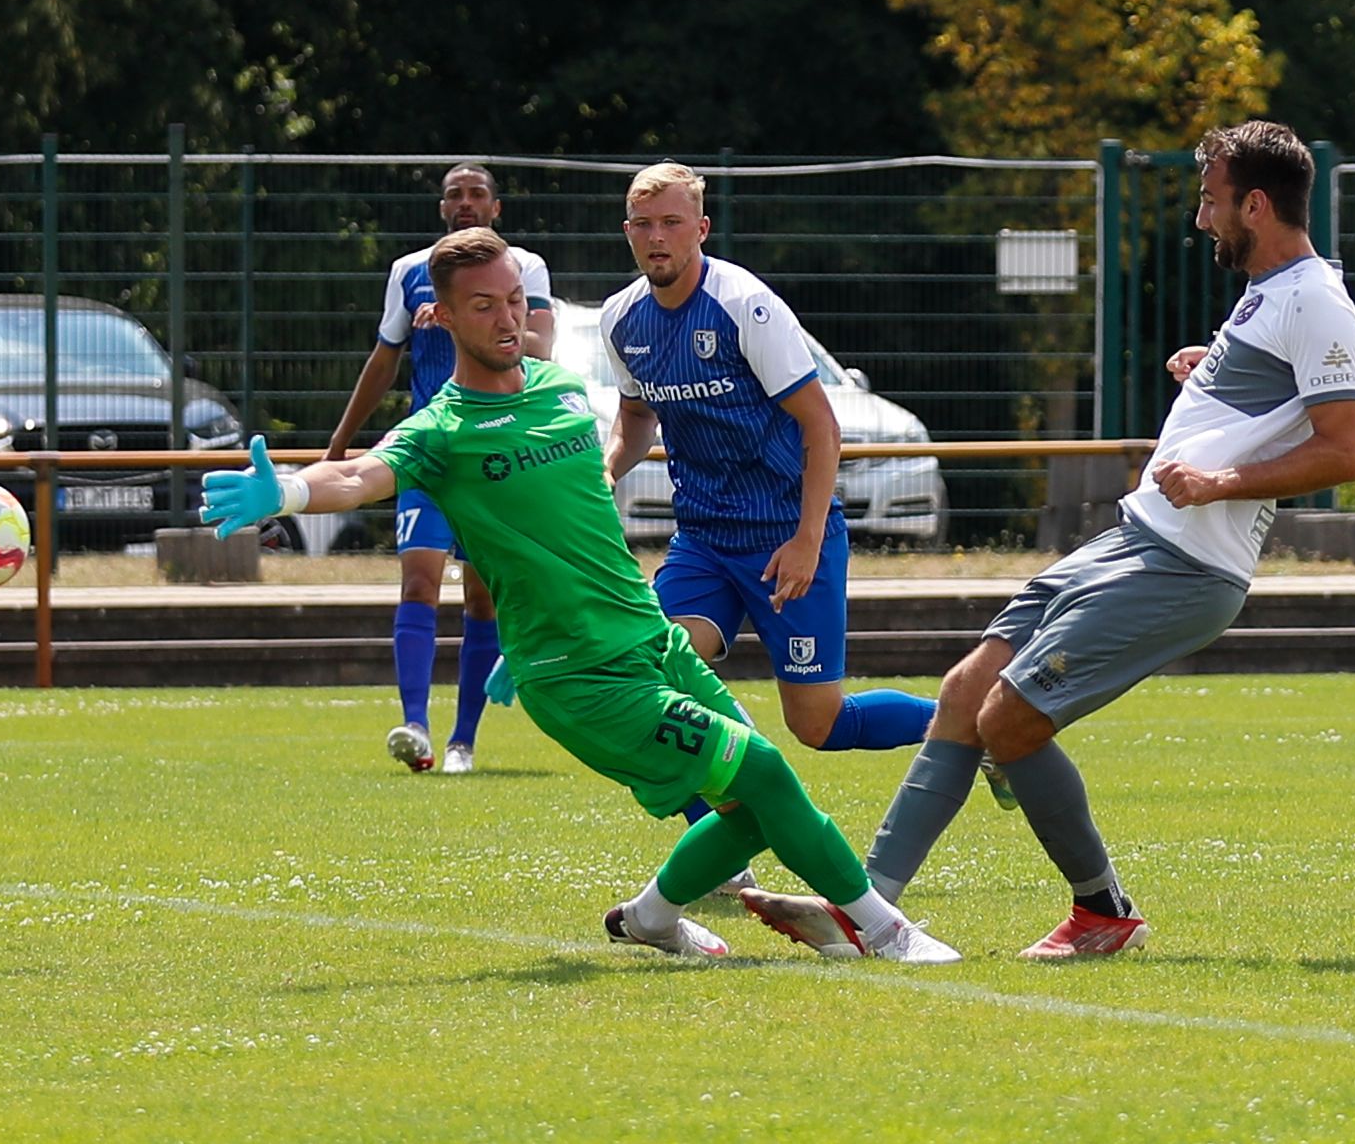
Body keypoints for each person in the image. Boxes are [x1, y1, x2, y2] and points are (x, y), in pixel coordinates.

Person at [202, 227, 961, 964]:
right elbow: (360, 473)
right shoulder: (440, 428)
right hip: (578, 675)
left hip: (650, 642)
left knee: (757, 805)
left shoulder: (561, 386)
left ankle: (649, 918)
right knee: (761, 768)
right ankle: (884, 931)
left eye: (516, 301)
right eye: (484, 306)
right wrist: (295, 488)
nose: (508, 319)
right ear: (440, 315)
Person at [735, 120, 1355, 961]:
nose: (1198, 219)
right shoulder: (1268, 294)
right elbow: (1269, 401)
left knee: (1012, 720)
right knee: (966, 690)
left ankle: (1102, 911)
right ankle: (867, 908)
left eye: (1211, 201)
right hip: (1136, 535)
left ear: (1256, 204)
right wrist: (1207, 364)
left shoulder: (1316, 298)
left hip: (1186, 564)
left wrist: (1215, 484)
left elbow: (1343, 450)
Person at [600, 162, 938, 762]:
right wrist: (604, 474)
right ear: (627, 230)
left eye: (671, 223)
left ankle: (973, 727)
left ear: (700, 228)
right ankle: (731, 844)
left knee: (819, 724)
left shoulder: (745, 305)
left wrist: (808, 540)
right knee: (658, 669)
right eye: (643, 224)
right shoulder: (621, 320)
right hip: (703, 540)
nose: (656, 237)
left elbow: (821, 426)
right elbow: (635, 417)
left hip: (786, 538)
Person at [323, 164, 555, 776]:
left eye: (478, 193)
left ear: (496, 209)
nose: (466, 202)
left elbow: (540, 348)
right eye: (455, 194)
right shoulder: (411, 273)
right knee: (419, 582)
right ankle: (416, 727)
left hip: (494, 453)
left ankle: (464, 741)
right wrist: (339, 444)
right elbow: (382, 361)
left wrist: (468, 317)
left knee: (482, 597)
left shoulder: (524, 268)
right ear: (442, 208)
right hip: (429, 452)